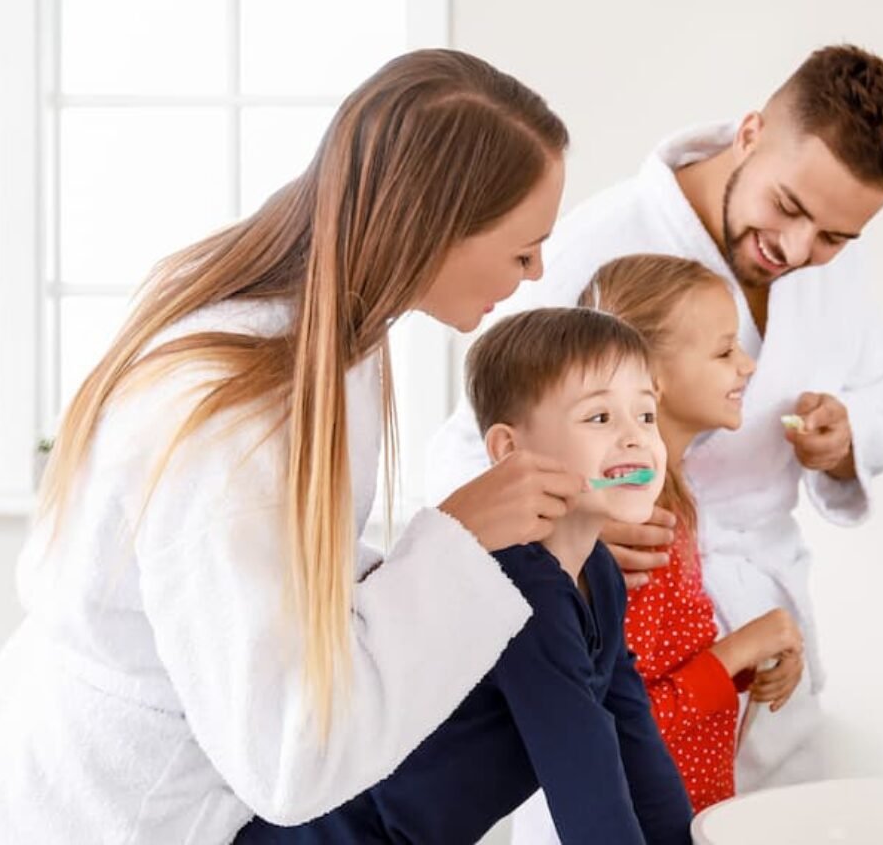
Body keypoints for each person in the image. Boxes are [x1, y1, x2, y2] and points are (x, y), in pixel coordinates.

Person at [0, 49, 586, 844]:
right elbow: (289, 759)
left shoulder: (336, 341)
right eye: (522, 250)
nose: (537, 270)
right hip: (128, 810)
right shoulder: (229, 424)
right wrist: (457, 539)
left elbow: (288, 576)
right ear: (433, 229)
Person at [427, 44, 883, 807]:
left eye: (834, 238)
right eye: (789, 209)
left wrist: (846, 436)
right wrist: (575, 530)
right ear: (752, 132)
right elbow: (477, 442)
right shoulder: (598, 245)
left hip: (763, 638)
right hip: (633, 616)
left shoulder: (830, 258)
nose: (799, 251)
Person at [238, 307, 694, 844]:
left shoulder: (598, 572)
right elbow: (586, 783)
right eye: (599, 419)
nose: (636, 439)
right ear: (509, 451)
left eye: (645, 416)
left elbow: (633, 739)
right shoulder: (523, 586)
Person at [583, 254, 805, 813]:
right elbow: (625, 724)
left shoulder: (671, 499)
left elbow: (660, 674)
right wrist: (743, 646)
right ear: (654, 380)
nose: (748, 367)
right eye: (725, 350)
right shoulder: (640, 521)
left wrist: (754, 659)